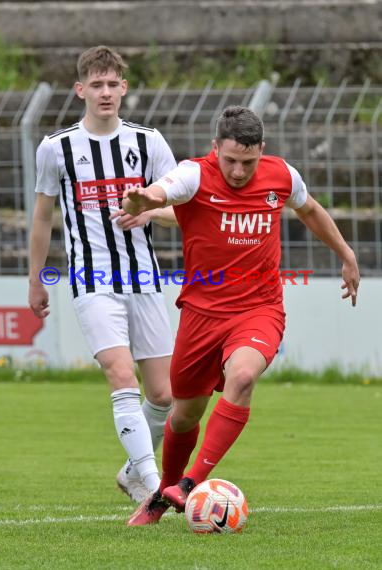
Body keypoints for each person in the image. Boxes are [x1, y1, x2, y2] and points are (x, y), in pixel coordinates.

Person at [118, 105, 360, 526]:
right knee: (184, 414)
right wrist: (146, 199)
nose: (237, 171)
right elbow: (164, 190)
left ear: (261, 151)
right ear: (216, 148)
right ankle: (162, 496)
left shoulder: (282, 176)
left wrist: (346, 254)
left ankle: (191, 485)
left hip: (259, 309)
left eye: (247, 162)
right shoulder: (195, 173)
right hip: (201, 314)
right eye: (229, 160)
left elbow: (311, 211)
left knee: (243, 376)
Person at [28, 45, 179, 503]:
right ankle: (154, 488)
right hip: (91, 282)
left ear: (124, 88)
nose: (106, 92)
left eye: (113, 83)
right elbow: (41, 217)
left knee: (164, 396)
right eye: (97, 84)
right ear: (80, 91)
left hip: (145, 280)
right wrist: (36, 278)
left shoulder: (148, 142)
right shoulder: (56, 149)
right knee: (120, 375)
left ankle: (133, 471)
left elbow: (183, 207)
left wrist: (150, 213)